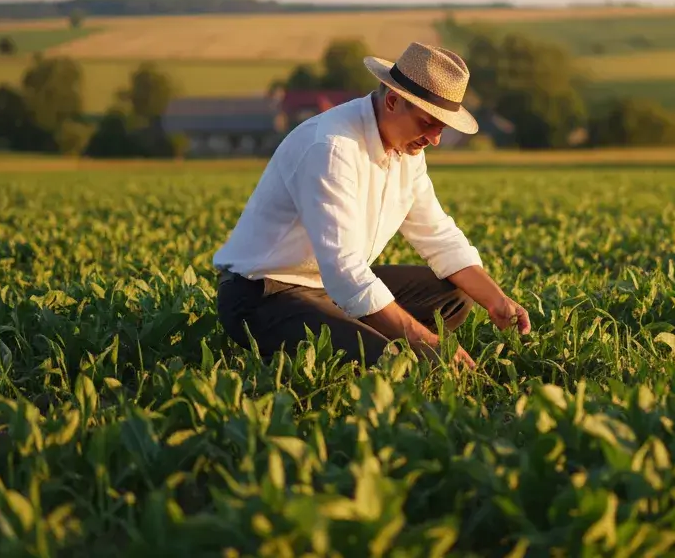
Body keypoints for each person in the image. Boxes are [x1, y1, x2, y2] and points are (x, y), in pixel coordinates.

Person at [213, 41, 532, 370]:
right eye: (428, 123)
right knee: (393, 362)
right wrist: (429, 343)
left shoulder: (407, 150)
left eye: (443, 128)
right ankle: (330, 348)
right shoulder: (331, 147)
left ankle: (355, 334)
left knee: (452, 298)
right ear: (393, 100)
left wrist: (497, 301)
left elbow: (438, 235)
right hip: (264, 294)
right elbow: (345, 269)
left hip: (326, 287)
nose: (435, 139)